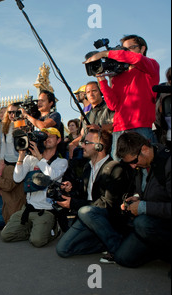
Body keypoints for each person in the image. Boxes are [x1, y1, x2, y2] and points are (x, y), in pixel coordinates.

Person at [56, 128, 130, 259]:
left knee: (86, 211)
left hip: (105, 218)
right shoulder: (87, 167)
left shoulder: (115, 168)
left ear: (99, 146)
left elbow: (106, 204)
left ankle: (117, 248)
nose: (82, 145)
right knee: (63, 249)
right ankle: (103, 243)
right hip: (86, 216)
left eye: (86, 142)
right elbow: (83, 196)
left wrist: (73, 203)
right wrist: (71, 190)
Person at [85, 34, 160, 159]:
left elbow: (137, 60)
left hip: (140, 127)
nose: (125, 52)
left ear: (142, 49)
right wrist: (102, 80)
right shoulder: (118, 75)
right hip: (119, 129)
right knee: (119, 171)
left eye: (130, 48)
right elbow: (113, 105)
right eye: (123, 49)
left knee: (144, 170)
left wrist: (105, 54)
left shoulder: (151, 65)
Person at [1, 127, 68, 247]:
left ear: (58, 140)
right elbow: (17, 178)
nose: (47, 138)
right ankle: (35, 230)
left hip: (46, 210)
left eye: (51, 136)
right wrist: (21, 156)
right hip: (28, 208)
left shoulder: (61, 162)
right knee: (6, 235)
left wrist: (40, 158)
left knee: (37, 242)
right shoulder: (30, 159)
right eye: (45, 136)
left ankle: (54, 230)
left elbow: (52, 176)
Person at [112, 132, 171, 267]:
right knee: (123, 258)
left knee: (142, 223)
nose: (133, 166)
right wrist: (137, 197)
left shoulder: (168, 163)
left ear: (144, 149)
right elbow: (146, 189)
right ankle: (157, 248)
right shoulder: (141, 163)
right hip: (154, 220)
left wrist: (143, 207)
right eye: (129, 164)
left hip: (164, 221)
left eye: (133, 161)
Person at [0, 103, 26, 224]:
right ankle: (10, 217)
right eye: (10, 112)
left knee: (20, 192)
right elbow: (2, 146)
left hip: (22, 162)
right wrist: (1, 163)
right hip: (8, 164)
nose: (12, 115)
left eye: (15, 112)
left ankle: (20, 217)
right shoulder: (3, 127)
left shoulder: (24, 125)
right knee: (8, 192)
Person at [68, 81, 114, 157]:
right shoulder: (87, 115)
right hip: (91, 154)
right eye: (88, 92)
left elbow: (116, 125)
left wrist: (100, 128)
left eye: (94, 91)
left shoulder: (109, 107)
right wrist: (73, 143)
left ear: (100, 92)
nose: (91, 94)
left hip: (108, 151)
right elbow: (83, 135)